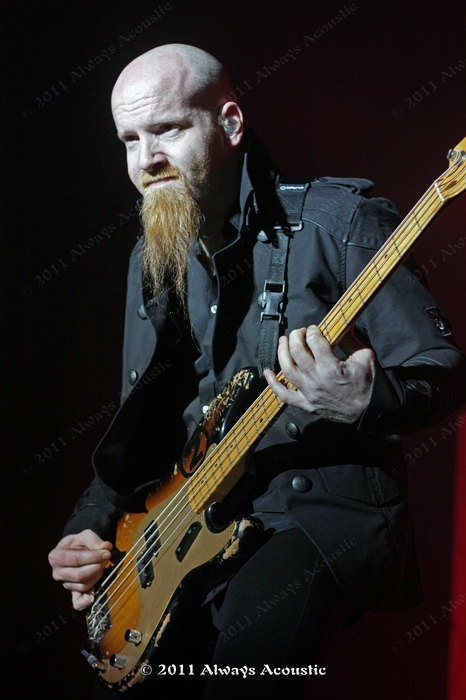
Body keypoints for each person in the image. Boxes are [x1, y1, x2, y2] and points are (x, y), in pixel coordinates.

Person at [48, 44, 466, 699]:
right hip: (184, 527)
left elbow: (443, 369)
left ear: (231, 123)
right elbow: (144, 422)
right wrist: (91, 525)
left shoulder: (337, 220)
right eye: (130, 139)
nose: (146, 158)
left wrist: (366, 399)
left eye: (168, 129)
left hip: (306, 511)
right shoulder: (151, 256)